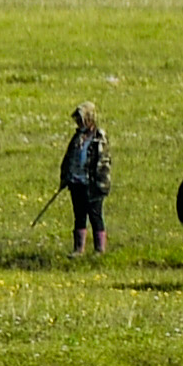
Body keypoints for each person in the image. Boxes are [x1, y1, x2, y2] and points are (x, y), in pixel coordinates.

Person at [60, 106, 110, 255]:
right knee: (79, 216)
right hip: (76, 182)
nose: (79, 123)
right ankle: (78, 249)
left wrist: (101, 184)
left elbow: (104, 162)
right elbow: (68, 157)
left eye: (81, 120)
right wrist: (65, 177)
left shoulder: (99, 137)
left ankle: (99, 250)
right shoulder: (77, 137)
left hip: (93, 184)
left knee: (95, 216)